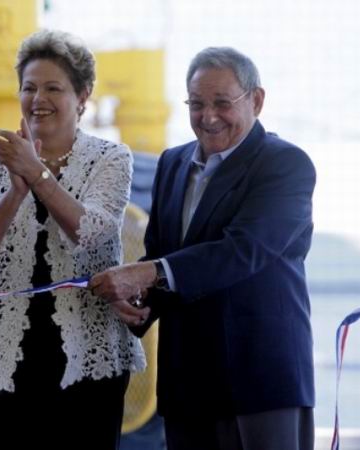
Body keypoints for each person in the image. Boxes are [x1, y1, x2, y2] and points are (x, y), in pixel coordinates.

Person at [90, 46, 316, 450]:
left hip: (259, 382)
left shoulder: (285, 164)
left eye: (222, 103)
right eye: (196, 104)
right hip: (186, 384)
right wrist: (141, 303)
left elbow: (243, 251)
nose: (208, 116)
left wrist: (147, 274)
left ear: (256, 100)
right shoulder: (172, 163)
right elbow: (161, 250)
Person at [0, 29, 146, 450]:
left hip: (87, 349)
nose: (38, 98)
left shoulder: (111, 159)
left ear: (83, 96)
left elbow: (92, 233)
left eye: (53, 88)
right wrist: (15, 192)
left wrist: (36, 175)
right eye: (29, 87)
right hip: (1, 351)